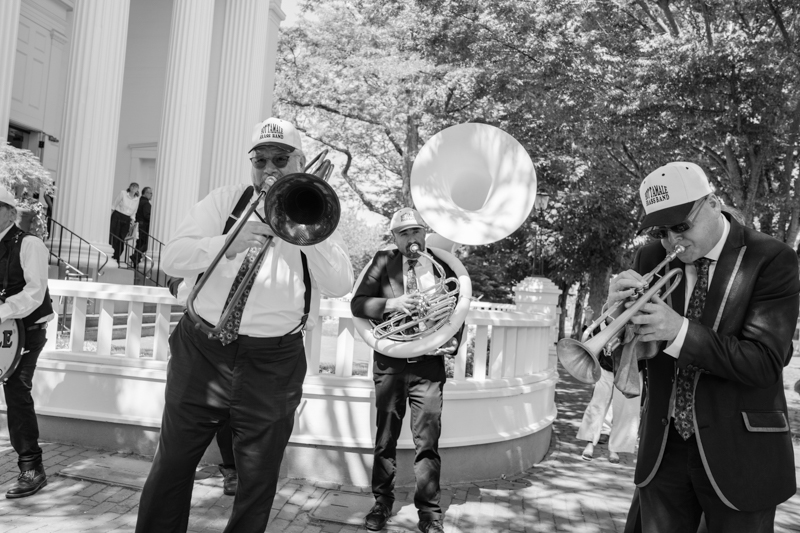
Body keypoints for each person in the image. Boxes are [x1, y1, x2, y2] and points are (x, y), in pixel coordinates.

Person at [134, 117, 353, 532]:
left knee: (258, 476)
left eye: (281, 158)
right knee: (174, 462)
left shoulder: (316, 210)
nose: (269, 168)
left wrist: (306, 226)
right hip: (201, 350)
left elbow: (341, 282)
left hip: (273, 362)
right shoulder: (223, 201)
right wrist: (225, 242)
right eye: (260, 159)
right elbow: (171, 258)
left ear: (300, 161)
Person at [609, 162, 798, 532]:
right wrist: (616, 327)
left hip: (741, 453)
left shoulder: (771, 259)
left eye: (681, 226)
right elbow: (625, 361)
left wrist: (678, 331)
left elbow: (763, 363)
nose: (672, 242)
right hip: (664, 452)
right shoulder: (649, 259)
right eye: (662, 231)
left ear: (713, 203)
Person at [351, 207, 465, 533]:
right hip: (391, 363)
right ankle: (381, 503)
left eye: (416, 231)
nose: (411, 238)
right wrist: (393, 304)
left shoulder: (442, 264)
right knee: (384, 439)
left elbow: (458, 306)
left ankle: (430, 515)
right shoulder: (382, 262)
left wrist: (452, 342)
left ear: (424, 232)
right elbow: (357, 303)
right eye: (404, 233)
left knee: (427, 442)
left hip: (428, 365)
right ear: (394, 238)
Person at [0, 186, 55, 499]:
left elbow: (35, 293)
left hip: (27, 330)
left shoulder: (29, 243)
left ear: (9, 212)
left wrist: (2, 312)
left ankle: (31, 468)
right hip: (3, 327)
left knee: (16, 389)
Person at [109, 182, 140, 264]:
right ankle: (112, 256)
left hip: (126, 219)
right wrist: (110, 216)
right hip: (117, 216)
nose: (134, 188)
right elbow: (114, 204)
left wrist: (133, 221)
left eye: (136, 187)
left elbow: (134, 212)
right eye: (132, 186)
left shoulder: (137, 199)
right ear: (129, 187)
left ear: (137, 190)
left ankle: (117, 257)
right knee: (114, 237)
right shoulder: (123, 193)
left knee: (121, 239)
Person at [131, 186, 152, 267]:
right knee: (145, 244)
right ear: (145, 193)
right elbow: (147, 216)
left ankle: (135, 260)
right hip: (143, 227)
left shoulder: (138, 201)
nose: (151, 195)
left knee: (139, 244)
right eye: (150, 193)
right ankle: (135, 256)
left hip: (138, 225)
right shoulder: (146, 203)